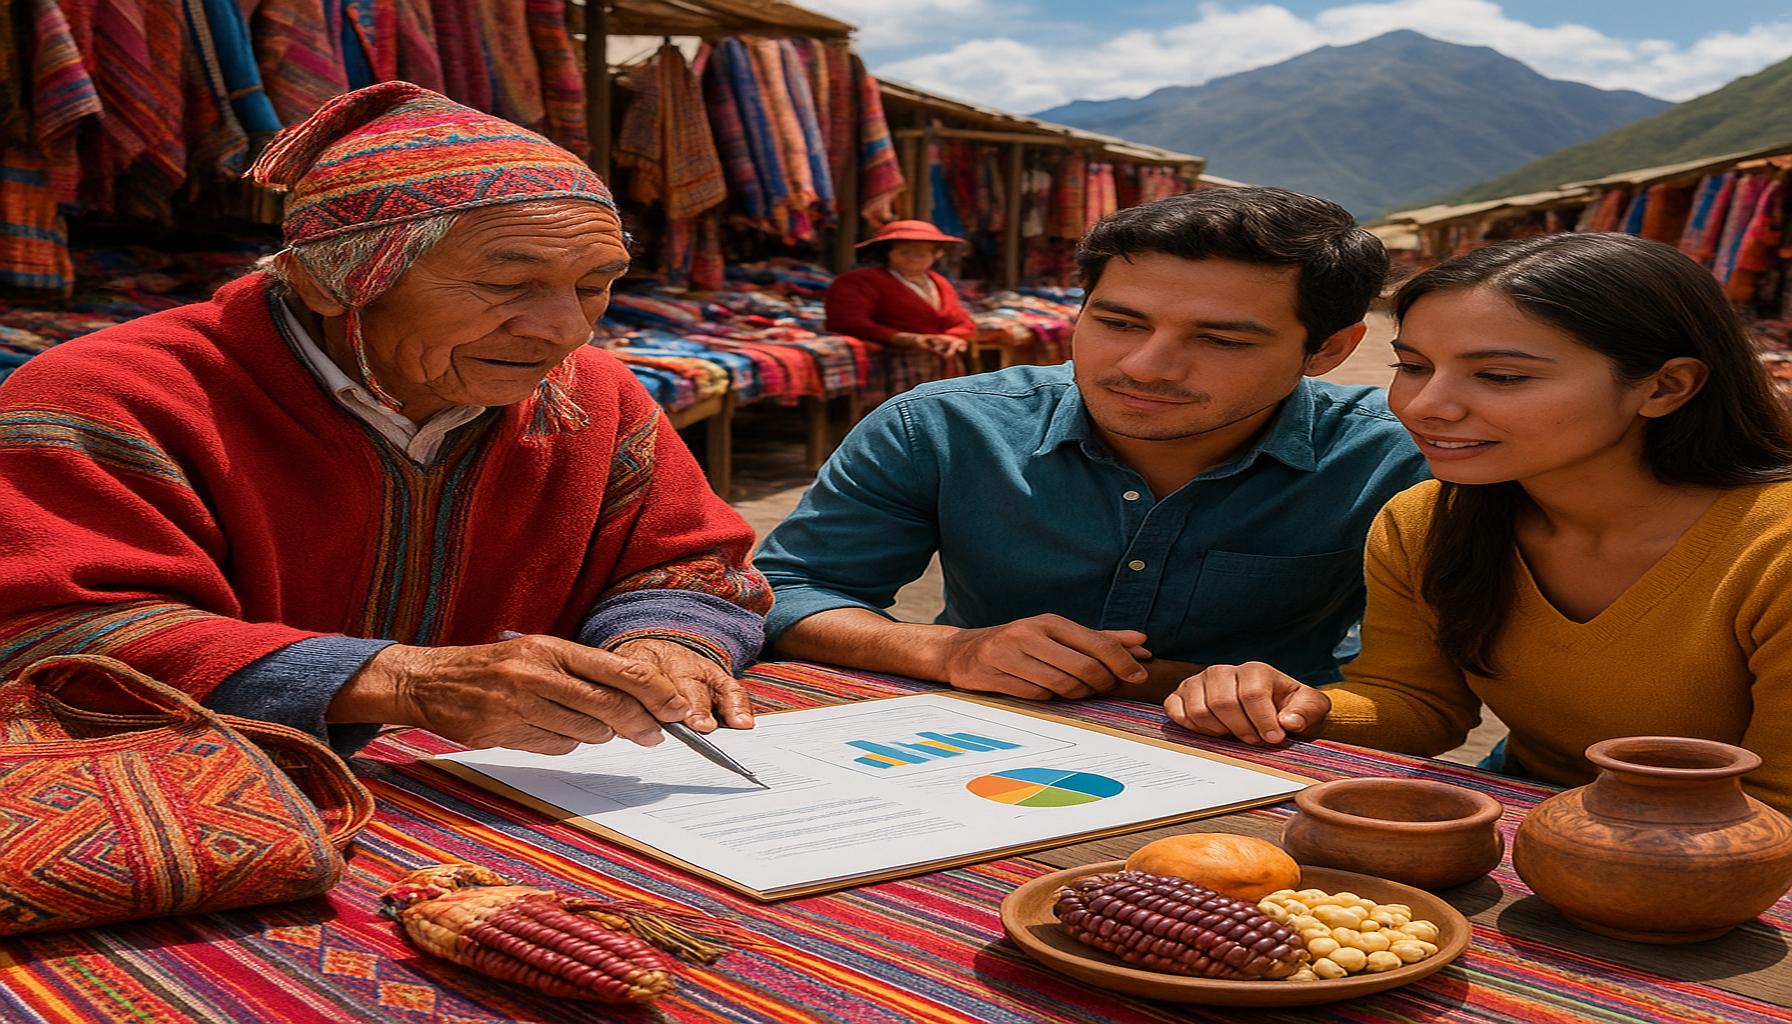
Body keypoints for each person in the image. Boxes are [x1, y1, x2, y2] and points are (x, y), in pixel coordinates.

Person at [0, 83, 772, 757]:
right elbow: (46, 634)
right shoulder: (104, 399)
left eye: (596, 285)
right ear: (330, 280)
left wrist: (664, 641)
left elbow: (690, 567)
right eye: (510, 283)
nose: (565, 330)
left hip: (502, 811)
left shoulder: (590, 395)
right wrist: (398, 682)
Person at [1165, 233, 1792, 813]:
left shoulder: (1773, 549)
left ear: (1666, 387)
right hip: (1527, 814)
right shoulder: (1426, 522)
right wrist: (1298, 706)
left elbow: (1777, 802)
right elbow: (1417, 701)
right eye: (1412, 367)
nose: (1425, 406)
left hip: (1719, 856)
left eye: (1501, 377)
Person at [757, 187, 1428, 701]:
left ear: (1330, 349)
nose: (1145, 366)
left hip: (1265, 766)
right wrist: (950, 652)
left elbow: (1418, 685)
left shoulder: (1398, 461)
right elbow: (787, 590)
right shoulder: (940, 428)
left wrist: (1285, 697)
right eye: (1117, 321)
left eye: (1221, 340)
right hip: (976, 745)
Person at [824, 220, 974, 357]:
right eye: (905, 251)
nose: (914, 257)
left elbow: (961, 321)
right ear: (888, 252)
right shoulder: (859, 281)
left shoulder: (940, 282)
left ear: (937, 254)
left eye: (923, 251)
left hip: (938, 361)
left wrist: (951, 337)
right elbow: (847, 321)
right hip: (883, 362)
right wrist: (899, 337)